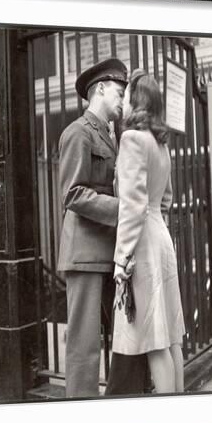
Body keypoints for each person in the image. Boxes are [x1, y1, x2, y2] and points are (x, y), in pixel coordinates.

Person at [58, 58, 147, 398]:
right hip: (84, 253)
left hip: (108, 252)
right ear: (99, 90)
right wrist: (124, 209)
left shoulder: (113, 135)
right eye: (119, 93)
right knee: (84, 346)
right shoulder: (77, 133)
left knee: (125, 335)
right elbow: (73, 193)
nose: (123, 101)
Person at [112, 69, 186, 393]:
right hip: (161, 237)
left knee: (155, 339)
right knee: (171, 337)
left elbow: (131, 206)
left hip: (142, 242)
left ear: (135, 101)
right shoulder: (160, 145)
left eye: (126, 96)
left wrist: (121, 258)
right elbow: (165, 200)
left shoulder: (131, 139)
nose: (124, 102)